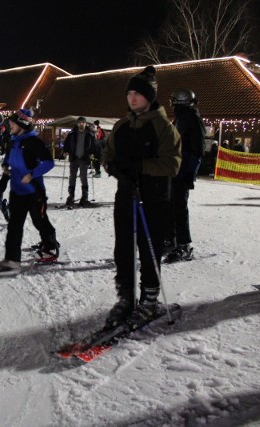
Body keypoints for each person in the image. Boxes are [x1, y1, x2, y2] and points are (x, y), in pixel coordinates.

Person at [102, 65, 181, 328]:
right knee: (123, 249)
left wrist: (141, 167)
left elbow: (172, 164)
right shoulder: (122, 126)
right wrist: (114, 168)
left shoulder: (163, 128)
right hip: (126, 195)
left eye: (138, 93)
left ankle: (149, 299)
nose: (132, 97)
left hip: (155, 198)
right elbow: (108, 156)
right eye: (129, 93)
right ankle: (126, 298)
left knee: (149, 249)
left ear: (150, 96)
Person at [0, 108, 59, 269]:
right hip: (17, 191)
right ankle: (12, 260)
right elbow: (9, 158)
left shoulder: (34, 143)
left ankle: (50, 248)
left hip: (34, 192)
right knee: (14, 225)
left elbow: (49, 163)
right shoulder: (13, 141)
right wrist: (6, 165)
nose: (9, 125)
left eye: (12, 123)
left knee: (39, 221)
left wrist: (32, 175)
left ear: (22, 124)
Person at [165, 89, 206, 263]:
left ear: (179, 102)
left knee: (179, 208)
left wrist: (190, 173)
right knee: (169, 206)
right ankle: (170, 240)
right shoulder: (181, 118)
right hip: (174, 170)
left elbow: (198, 150)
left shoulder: (191, 118)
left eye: (173, 100)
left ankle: (184, 246)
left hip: (182, 172)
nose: (171, 104)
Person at [63, 116, 97, 208]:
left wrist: (92, 153)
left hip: (84, 158)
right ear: (77, 123)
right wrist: (65, 151)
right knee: (72, 177)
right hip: (74, 158)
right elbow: (67, 143)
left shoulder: (90, 134)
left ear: (85, 124)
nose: (81, 124)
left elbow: (94, 145)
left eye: (83, 122)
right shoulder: (72, 133)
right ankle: (71, 195)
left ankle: (84, 196)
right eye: (79, 122)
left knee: (83, 176)